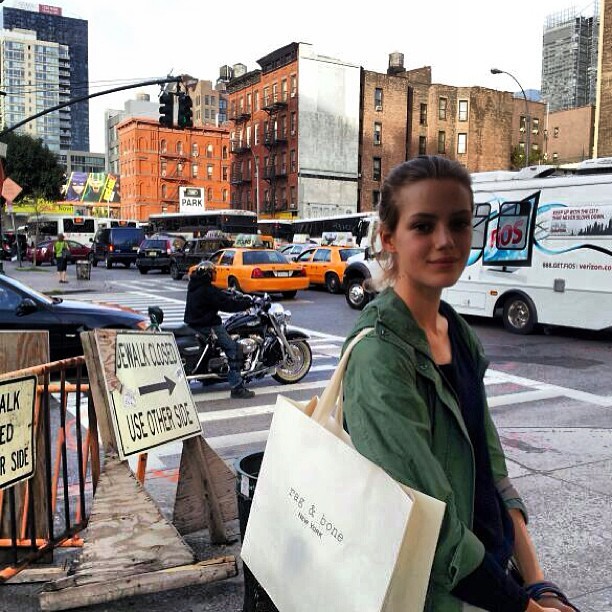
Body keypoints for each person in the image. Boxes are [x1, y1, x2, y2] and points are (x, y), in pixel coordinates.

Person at [342, 156, 578, 612]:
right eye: (424, 226)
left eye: (459, 223)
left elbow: (492, 469)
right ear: (388, 237)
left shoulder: (456, 331)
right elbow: (428, 527)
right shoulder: (380, 357)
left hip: (493, 579)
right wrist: (526, 608)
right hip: (437, 594)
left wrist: (538, 581)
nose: (445, 241)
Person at [183, 261, 255, 399]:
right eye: (213, 272)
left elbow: (220, 296)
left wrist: (232, 294)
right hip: (208, 326)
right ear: (208, 274)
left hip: (194, 324)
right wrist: (247, 303)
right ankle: (237, 387)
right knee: (233, 349)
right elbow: (226, 304)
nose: (214, 275)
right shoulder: (206, 290)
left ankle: (209, 378)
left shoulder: (195, 285)